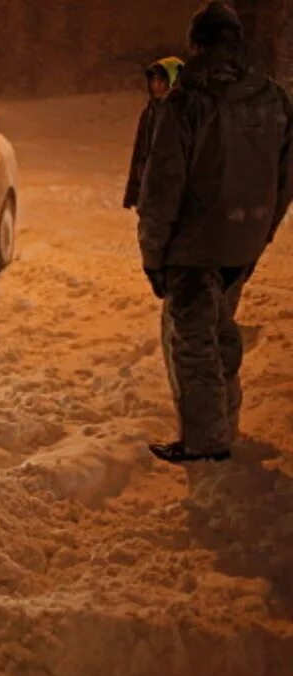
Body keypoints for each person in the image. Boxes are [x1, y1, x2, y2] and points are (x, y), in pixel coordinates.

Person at [137, 0, 293, 463]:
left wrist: (153, 256)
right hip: (240, 244)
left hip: (194, 246)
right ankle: (226, 421)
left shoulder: (189, 100)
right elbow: (285, 179)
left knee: (193, 344)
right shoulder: (274, 98)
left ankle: (206, 442)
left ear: (196, 44)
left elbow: (161, 189)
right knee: (221, 331)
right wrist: (260, 234)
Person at [124, 56, 184, 210]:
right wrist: (134, 190)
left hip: (175, 193)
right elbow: (140, 153)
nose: (156, 85)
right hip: (150, 190)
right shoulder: (150, 113)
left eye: (162, 81)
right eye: (153, 81)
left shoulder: (183, 114)